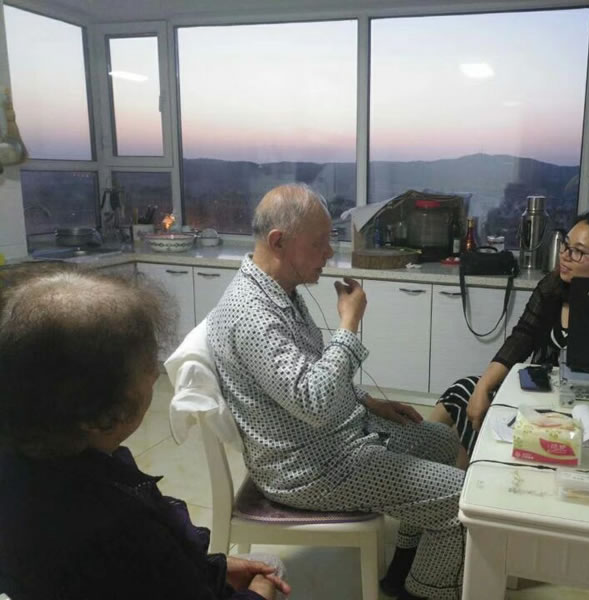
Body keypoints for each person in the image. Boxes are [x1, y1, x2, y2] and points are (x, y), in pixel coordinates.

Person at [207, 183, 465, 600]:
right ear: (278, 241)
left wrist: (368, 402)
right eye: (319, 243)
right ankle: (423, 591)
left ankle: (404, 566)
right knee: (461, 499)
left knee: (442, 441)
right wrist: (349, 324)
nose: (329, 253)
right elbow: (314, 401)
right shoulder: (251, 315)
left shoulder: (281, 291)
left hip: (333, 437)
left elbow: (308, 377)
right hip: (310, 469)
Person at [0, 264, 290, 600]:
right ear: (98, 409)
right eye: (146, 365)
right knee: (272, 566)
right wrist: (261, 589)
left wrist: (214, 568)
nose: (155, 374)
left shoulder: (20, 471)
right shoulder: (121, 527)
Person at [431, 209, 589, 461]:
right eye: (566, 245)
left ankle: (460, 471)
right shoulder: (553, 287)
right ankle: (427, 457)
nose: (565, 256)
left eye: (578, 251)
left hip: (581, 410)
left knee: (477, 416)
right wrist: (483, 386)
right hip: (536, 394)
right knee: (466, 391)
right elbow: (522, 337)